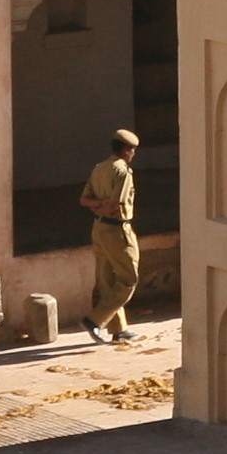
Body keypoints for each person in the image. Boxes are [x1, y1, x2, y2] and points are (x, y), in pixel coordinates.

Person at [80, 129, 143, 344]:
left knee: (107, 278)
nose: (133, 153)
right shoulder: (122, 171)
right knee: (128, 279)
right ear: (126, 150)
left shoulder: (100, 168)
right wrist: (105, 207)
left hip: (98, 229)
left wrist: (98, 207)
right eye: (132, 150)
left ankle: (119, 329)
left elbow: (85, 200)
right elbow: (117, 204)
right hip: (117, 229)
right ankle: (95, 320)